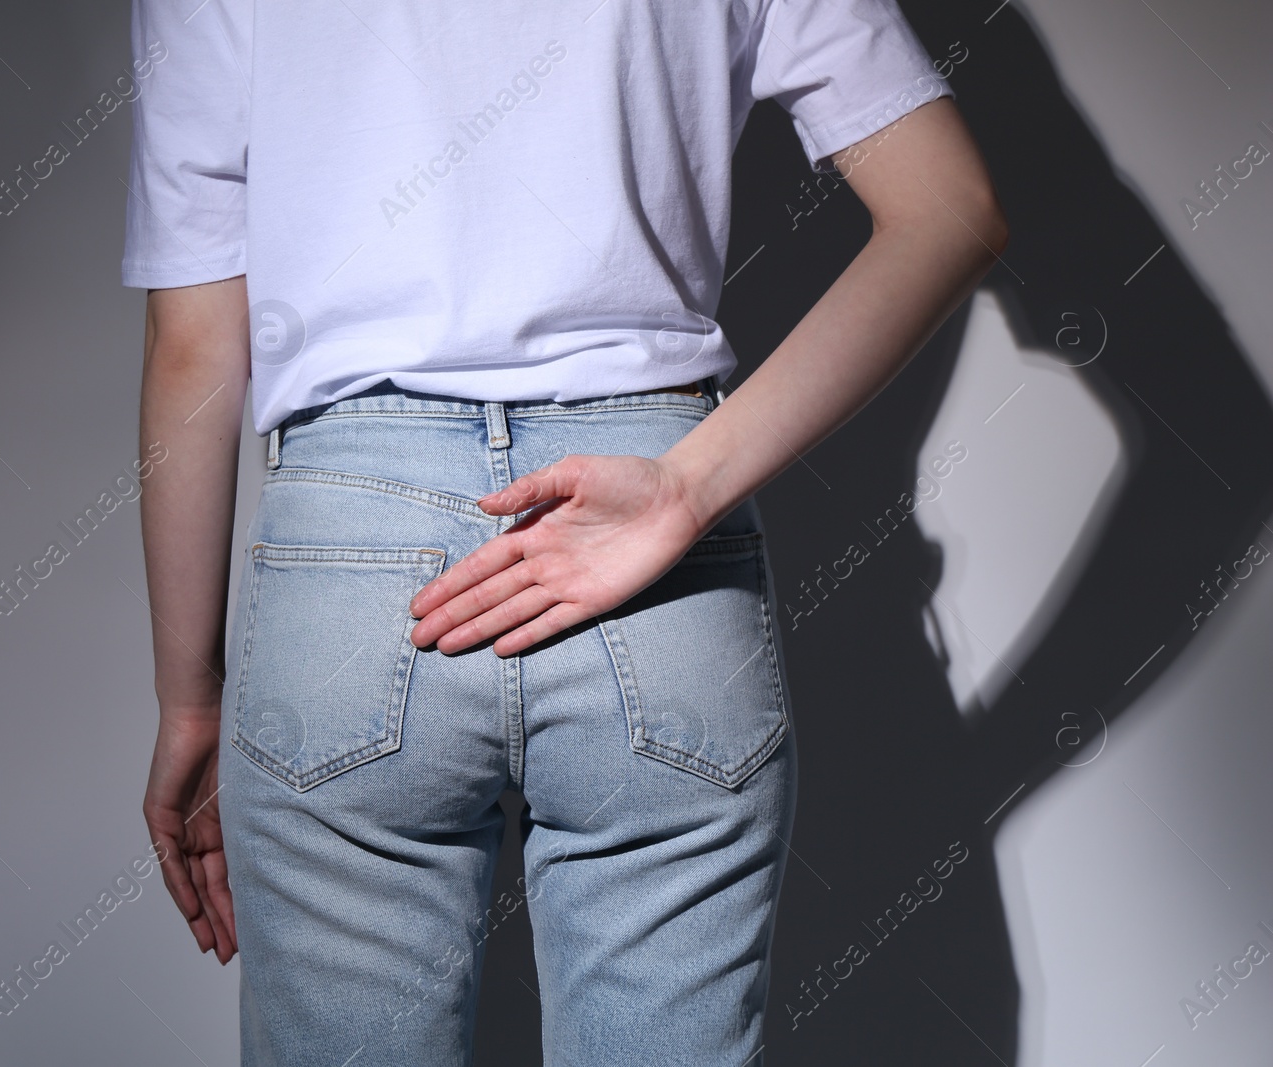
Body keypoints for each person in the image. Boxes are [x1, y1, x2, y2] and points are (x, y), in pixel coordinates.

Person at [122, 0, 1007, 1063]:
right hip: (657, 560)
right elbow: (950, 209)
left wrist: (190, 696)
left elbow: (192, 345)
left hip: (349, 570)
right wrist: (685, 489)